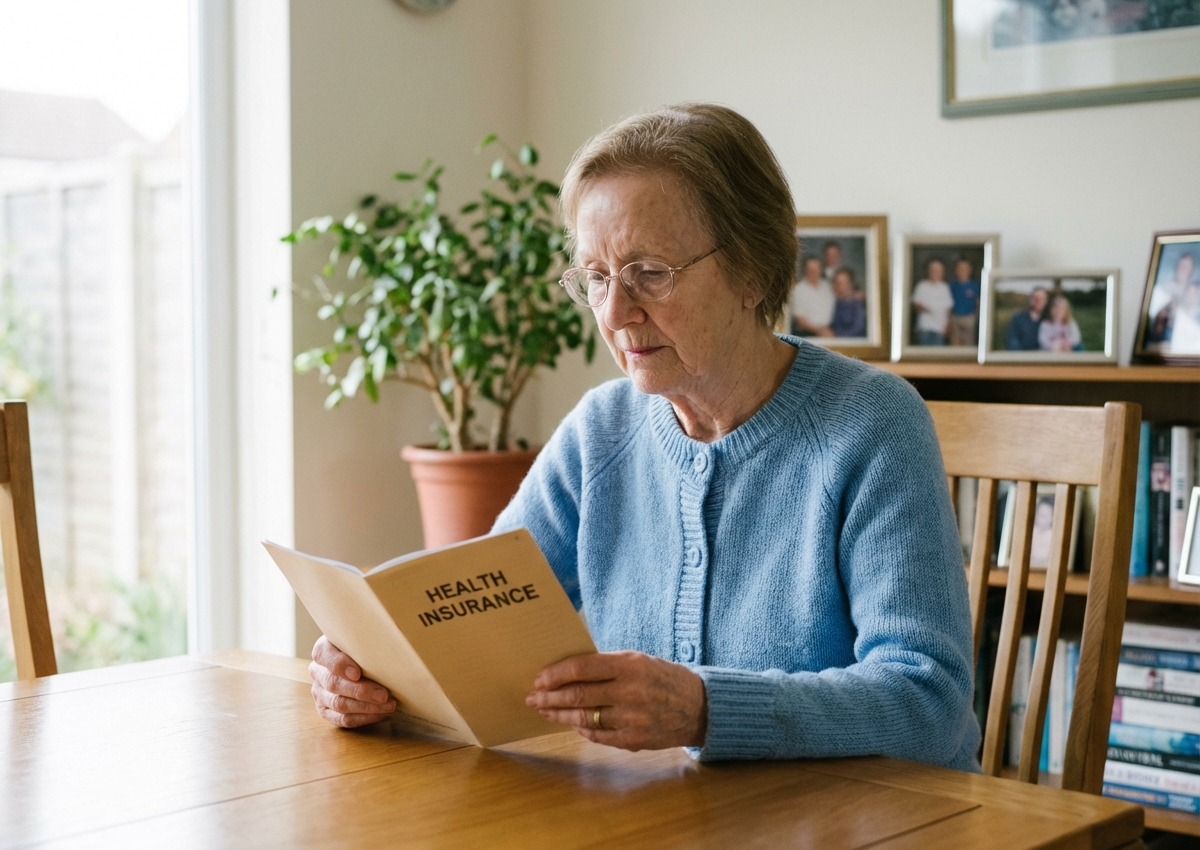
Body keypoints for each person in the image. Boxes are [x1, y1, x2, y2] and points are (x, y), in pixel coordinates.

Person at [309, 103, 980, 771]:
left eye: (649, 273)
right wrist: (371, 668)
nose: (615, 313)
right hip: (666, 833)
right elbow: (471, 623)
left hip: (865, 837)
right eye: (596, 277)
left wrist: (705, 708)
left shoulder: (873, 424)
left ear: (753, 271)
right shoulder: (601, 430)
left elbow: (929, 700)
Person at [910, 259, 954, 346]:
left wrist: (947, 325)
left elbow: (948, 308)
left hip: (939, 328)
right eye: (933, 270)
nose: (935, 273)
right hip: (924, 327)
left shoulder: (944, 287)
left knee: (938, 355)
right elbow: (915, 304)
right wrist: (926, 308)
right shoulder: (921, 285)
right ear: (928, 271)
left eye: (938, 271)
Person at [789, 256, 835, 337]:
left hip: (830, 331)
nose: (813, 271)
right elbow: (800, 320)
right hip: (807, 334)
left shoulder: (828, 286)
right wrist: (820, 331)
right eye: (810, 268)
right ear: (804, 270)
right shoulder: (798, 290)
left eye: (816, 268)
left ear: (821, 269)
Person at [948, 259, 981, 347]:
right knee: (955, 345)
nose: (962, 271)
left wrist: (976, 318)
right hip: (955, 318)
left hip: (969, 318)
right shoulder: (952, 286)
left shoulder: (974, 285)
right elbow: (947, 304)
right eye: (960, 268)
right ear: (956, 270)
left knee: (968, 345)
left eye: (965, 268)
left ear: (969, 270)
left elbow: (978, 303)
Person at [1006, 287, 1048, 351]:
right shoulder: (1018, 319)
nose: (1038, 301)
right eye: (1035, 298)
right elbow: (1012, 343)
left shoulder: (1048, 320)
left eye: (1042, 298)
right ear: (1030, 299)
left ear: (1046, 301)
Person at [829, 267, 866, 338]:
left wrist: (835, 335)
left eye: (841, 283)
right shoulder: (835, 302)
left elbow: (858, 330)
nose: (837, 286)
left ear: (849, 284)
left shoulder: (857, 303)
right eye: (835, 282)